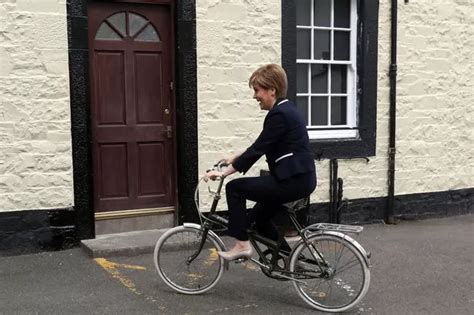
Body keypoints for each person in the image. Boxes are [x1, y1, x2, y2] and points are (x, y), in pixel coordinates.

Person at [205, 64, 316, 260]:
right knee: (259, 220)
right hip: (298, 179)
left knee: (234, 188)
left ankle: (241, 245)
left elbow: (258, 149)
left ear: (272, 90)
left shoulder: (279, 114)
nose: (255, 96)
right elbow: (264, 143)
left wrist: (223, 173)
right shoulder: (286, 110)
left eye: (257, 90)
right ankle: (293, 262)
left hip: (291, 181)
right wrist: (235, 157)